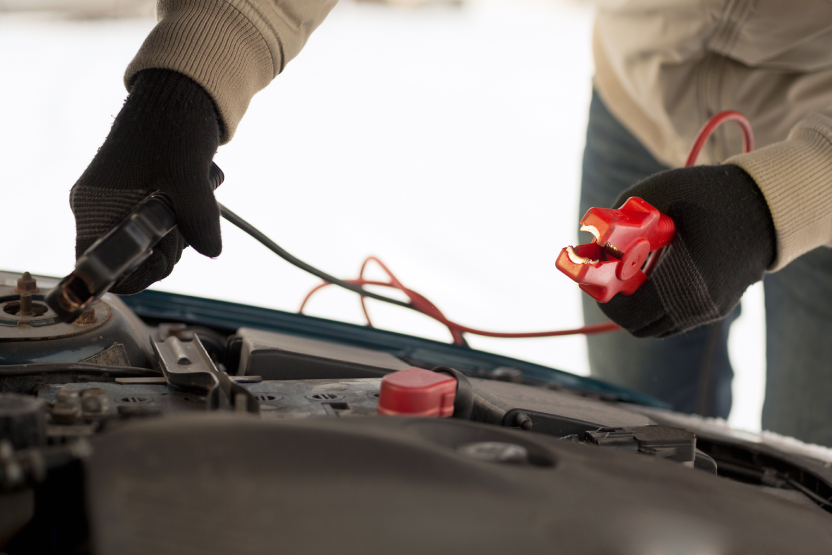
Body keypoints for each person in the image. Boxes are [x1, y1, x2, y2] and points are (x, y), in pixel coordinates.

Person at [70, 0, 832, 445]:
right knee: (644, 433)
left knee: (807, 465)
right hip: (641, 95)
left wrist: (776, 202)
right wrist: (186, 82)